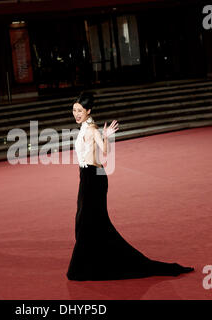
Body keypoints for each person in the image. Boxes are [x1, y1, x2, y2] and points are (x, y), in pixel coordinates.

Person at [67, 92, 194, 280]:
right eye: (74, 110)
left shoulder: (92, 128)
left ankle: (85, 266)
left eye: (79, 111)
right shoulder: (83, 128)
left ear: (88, 111)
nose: (76, 114)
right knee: (86, 221)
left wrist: (107, 136)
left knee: (88, 221)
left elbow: (105, 151)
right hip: (86, 176)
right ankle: (92, 261)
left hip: (95, 177)